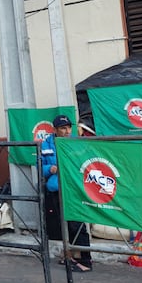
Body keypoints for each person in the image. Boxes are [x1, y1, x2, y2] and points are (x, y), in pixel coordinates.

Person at [42, 115, 93, 272]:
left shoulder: (76, 143)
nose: (67, 131)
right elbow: (40, 166)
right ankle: (70, 256)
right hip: (55, 190)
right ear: (55, 130)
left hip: (72, 189)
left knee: (77, 224)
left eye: (69, 127)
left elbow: (84, 165)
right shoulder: (46, 144)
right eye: (63, 128)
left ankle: (86, 261)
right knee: (62, 225)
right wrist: (50, 169)